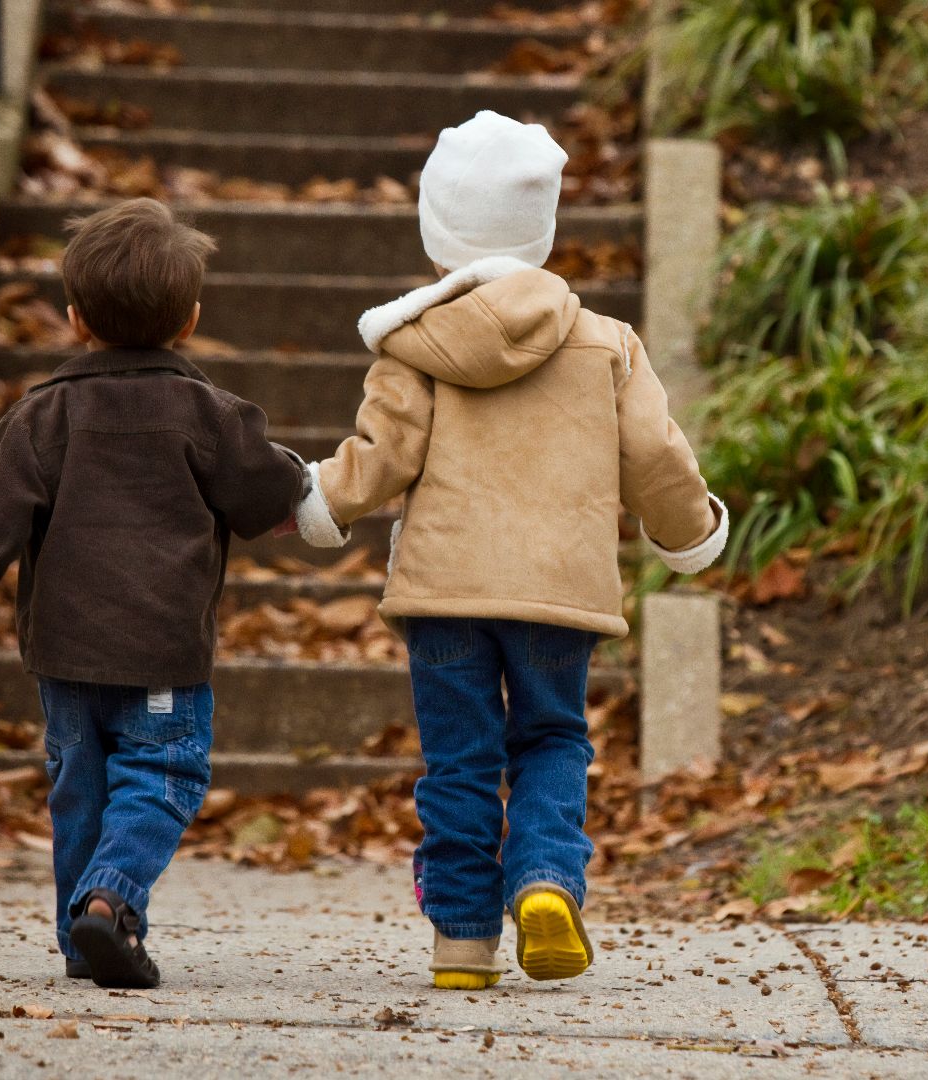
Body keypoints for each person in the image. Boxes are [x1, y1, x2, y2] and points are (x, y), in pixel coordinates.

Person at [290, 110, 728, 988]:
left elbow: (380, 461)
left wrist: (315, 501)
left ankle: (459, 943)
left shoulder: (413, 349)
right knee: (553, 740)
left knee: (459, 759)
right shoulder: (608, 343)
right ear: (544, 230)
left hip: (444, 592)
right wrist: (690, 533)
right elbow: (654, 458)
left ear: (437, 233)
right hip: (557, 595)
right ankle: (543, 882)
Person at [0, 198, 306, 989]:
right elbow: (265, 486)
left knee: (78, 790)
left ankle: (80, 937)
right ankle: (108, 905)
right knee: (163, 778)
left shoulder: (41, 416)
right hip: (161, 650)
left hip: (64, 652)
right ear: (189, 321)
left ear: (75, 318)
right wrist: (306, 503)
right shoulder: (206, 414)